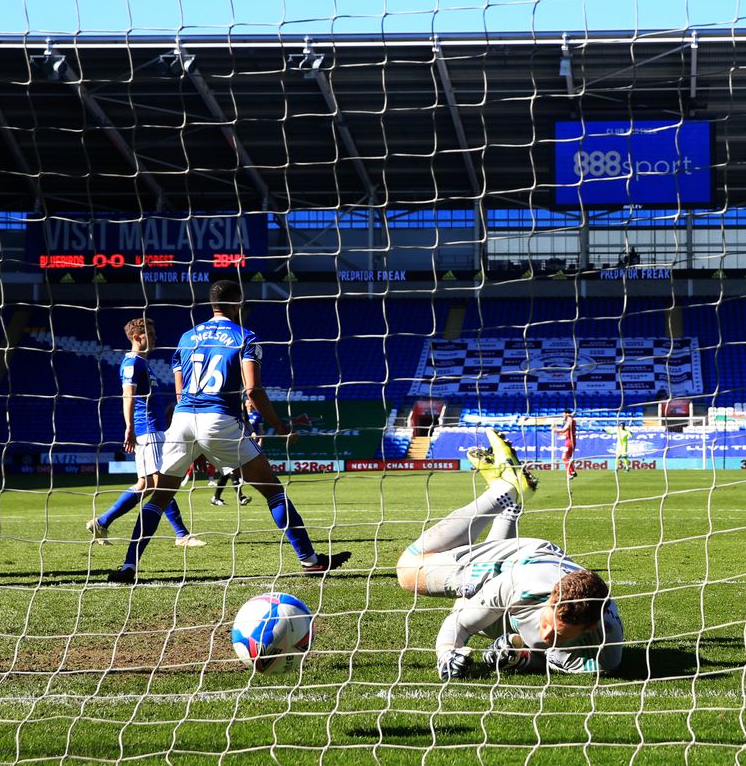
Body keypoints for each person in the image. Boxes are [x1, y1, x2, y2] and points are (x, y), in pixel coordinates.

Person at [108, 280, 350, 583]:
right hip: (218, 419)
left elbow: (181, 394)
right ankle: (310, 560)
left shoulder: (186, 338)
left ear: (212, 305)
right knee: (273, 492)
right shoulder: (245, 337)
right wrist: (279, 426)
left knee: (158, 498)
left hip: (182, 421)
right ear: (238, 304)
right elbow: (252, 390)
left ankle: (129, 566)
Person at [397, 429, 623, 678]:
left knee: (482, 615)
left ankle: (512, 506)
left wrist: (522, 658)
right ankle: (504, 490)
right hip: (519, 562)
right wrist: (447, 654)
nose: (548, 636)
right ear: (550, 601)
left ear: (591, 628)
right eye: (548, 624)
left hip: (532, 584)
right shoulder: (521, 585)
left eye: (559, 634)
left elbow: (552, 661)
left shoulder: (604, 656)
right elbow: (459, 624)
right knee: (409, 570)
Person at [87, 317, 205, 549]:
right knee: (159, 482)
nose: (155, 337)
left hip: (155, 429)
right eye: (150, 333)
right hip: (146, 430)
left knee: (151, 483)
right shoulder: (132, 363)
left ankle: (102, 522)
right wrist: (129, 427)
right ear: (136, 337)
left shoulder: (143, 363)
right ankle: (181, 534)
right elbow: (127, 395)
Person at [211, 399, 260, 507]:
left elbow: (246, 421)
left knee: (226, 472)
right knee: (232, 469)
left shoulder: (240, 404)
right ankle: (240, 497)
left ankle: (216, 497)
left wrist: (252, 431)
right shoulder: (223, 402)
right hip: (225, 441)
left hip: (239, 441)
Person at [553, 410, 578, 480]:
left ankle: (571, 472)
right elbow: (565, 433)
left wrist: (555, 429)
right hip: (569, 441)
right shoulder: (570, 420)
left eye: (563, 414)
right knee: (566, 458)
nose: (563, 415)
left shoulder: (570, 419)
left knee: (564, 457)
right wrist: (557, 431)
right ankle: (572, 471)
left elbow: (564, 429)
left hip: (570, 442)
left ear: (567, 414)